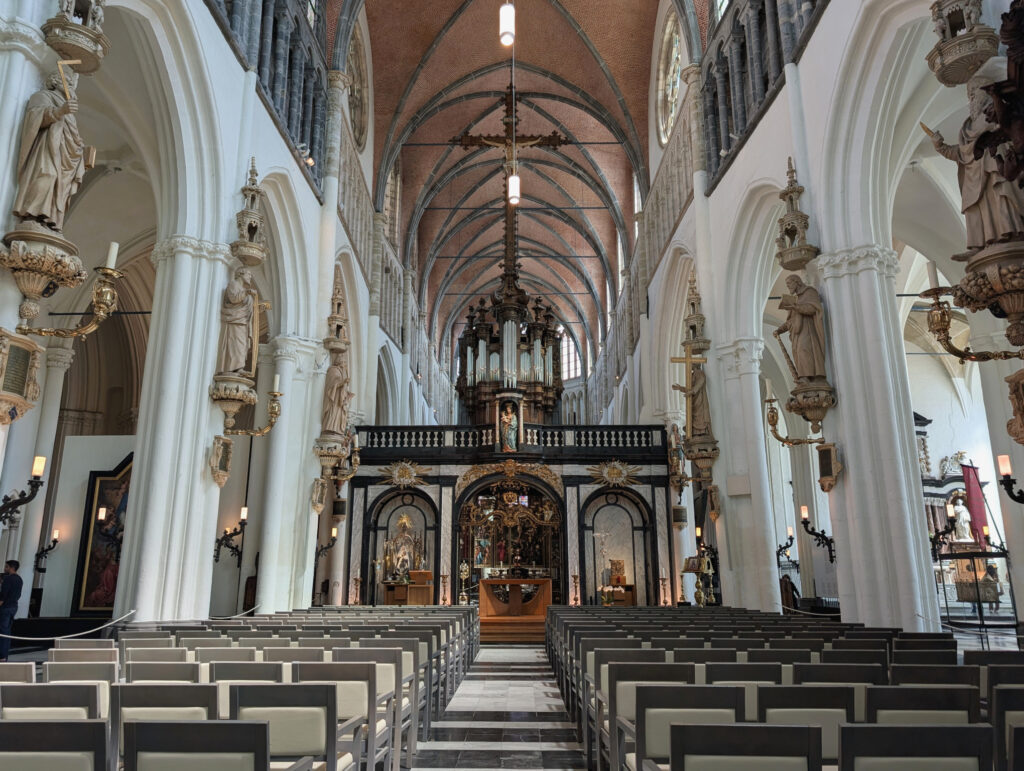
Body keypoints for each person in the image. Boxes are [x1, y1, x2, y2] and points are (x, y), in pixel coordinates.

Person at [0, 560, 24, 662]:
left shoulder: (8, 579)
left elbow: (3, 596)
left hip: (5, 608)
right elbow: (18, 595)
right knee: (7, 632)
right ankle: (4, 656)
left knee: (2, 632)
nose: (5, 569)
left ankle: (1, 656)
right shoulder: (19, 579)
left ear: (11, 568)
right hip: (13, 607)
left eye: (6, 567)